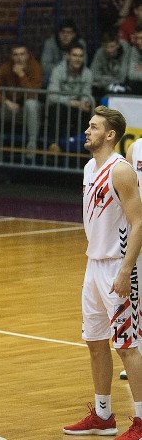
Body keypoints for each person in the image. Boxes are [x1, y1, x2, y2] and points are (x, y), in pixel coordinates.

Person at [62, 106, 142, 440]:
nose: (87, 131)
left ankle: (140, 421)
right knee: (94, 341)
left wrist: (126, 271)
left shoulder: (120, 171)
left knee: (127, 346)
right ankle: (103, 414)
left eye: (93, 127)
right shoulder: (88, 168)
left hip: (117, 267)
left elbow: (139, 221)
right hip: (93, 264)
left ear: (110, 135)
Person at [0, 44, 42, 159]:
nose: (19, 58)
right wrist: (5, 102)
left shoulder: (35, 67)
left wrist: (21, 75)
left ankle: (32, 145)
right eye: (15, 55)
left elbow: (33, 94)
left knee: (31, 104)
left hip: (26, 112)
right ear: (11, 56)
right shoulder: (6, 67)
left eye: (22, 54)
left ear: (27, 55)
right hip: (9, 108)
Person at [46, 42, 93, 147]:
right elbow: (52, 96)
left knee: (88, 112)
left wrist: (84, 103)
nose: (78, 59)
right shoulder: (58, 70)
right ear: (68, 56)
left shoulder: (87, 73)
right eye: (74, 55)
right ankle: (54, 145)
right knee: (57, 109)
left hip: (77, 108)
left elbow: (87, 95)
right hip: (61, 106)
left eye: (80, 56)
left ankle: (77, 145)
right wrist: (73, 103)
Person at [41, 19, 88, 87]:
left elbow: (83, 64)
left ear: (74, 34)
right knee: (46, 79)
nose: (65, 35)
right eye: (62, 32)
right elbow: (45, 67)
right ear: (58, 33)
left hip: (75, 75)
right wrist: (65, 69)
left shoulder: (80, 43)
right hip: (55, 75)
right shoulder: (50, 43)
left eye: (69, 32)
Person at [90, 30, 131, 100]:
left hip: (121, 89)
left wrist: (101, 81)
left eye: (112, 46)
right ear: (102, 45)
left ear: (118, 45)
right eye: (106, 46)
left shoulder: (126, 50)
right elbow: (93, 75)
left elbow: (122, 78)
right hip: (104, 89)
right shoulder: (100, 52)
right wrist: (111, 82)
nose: (109, 50)